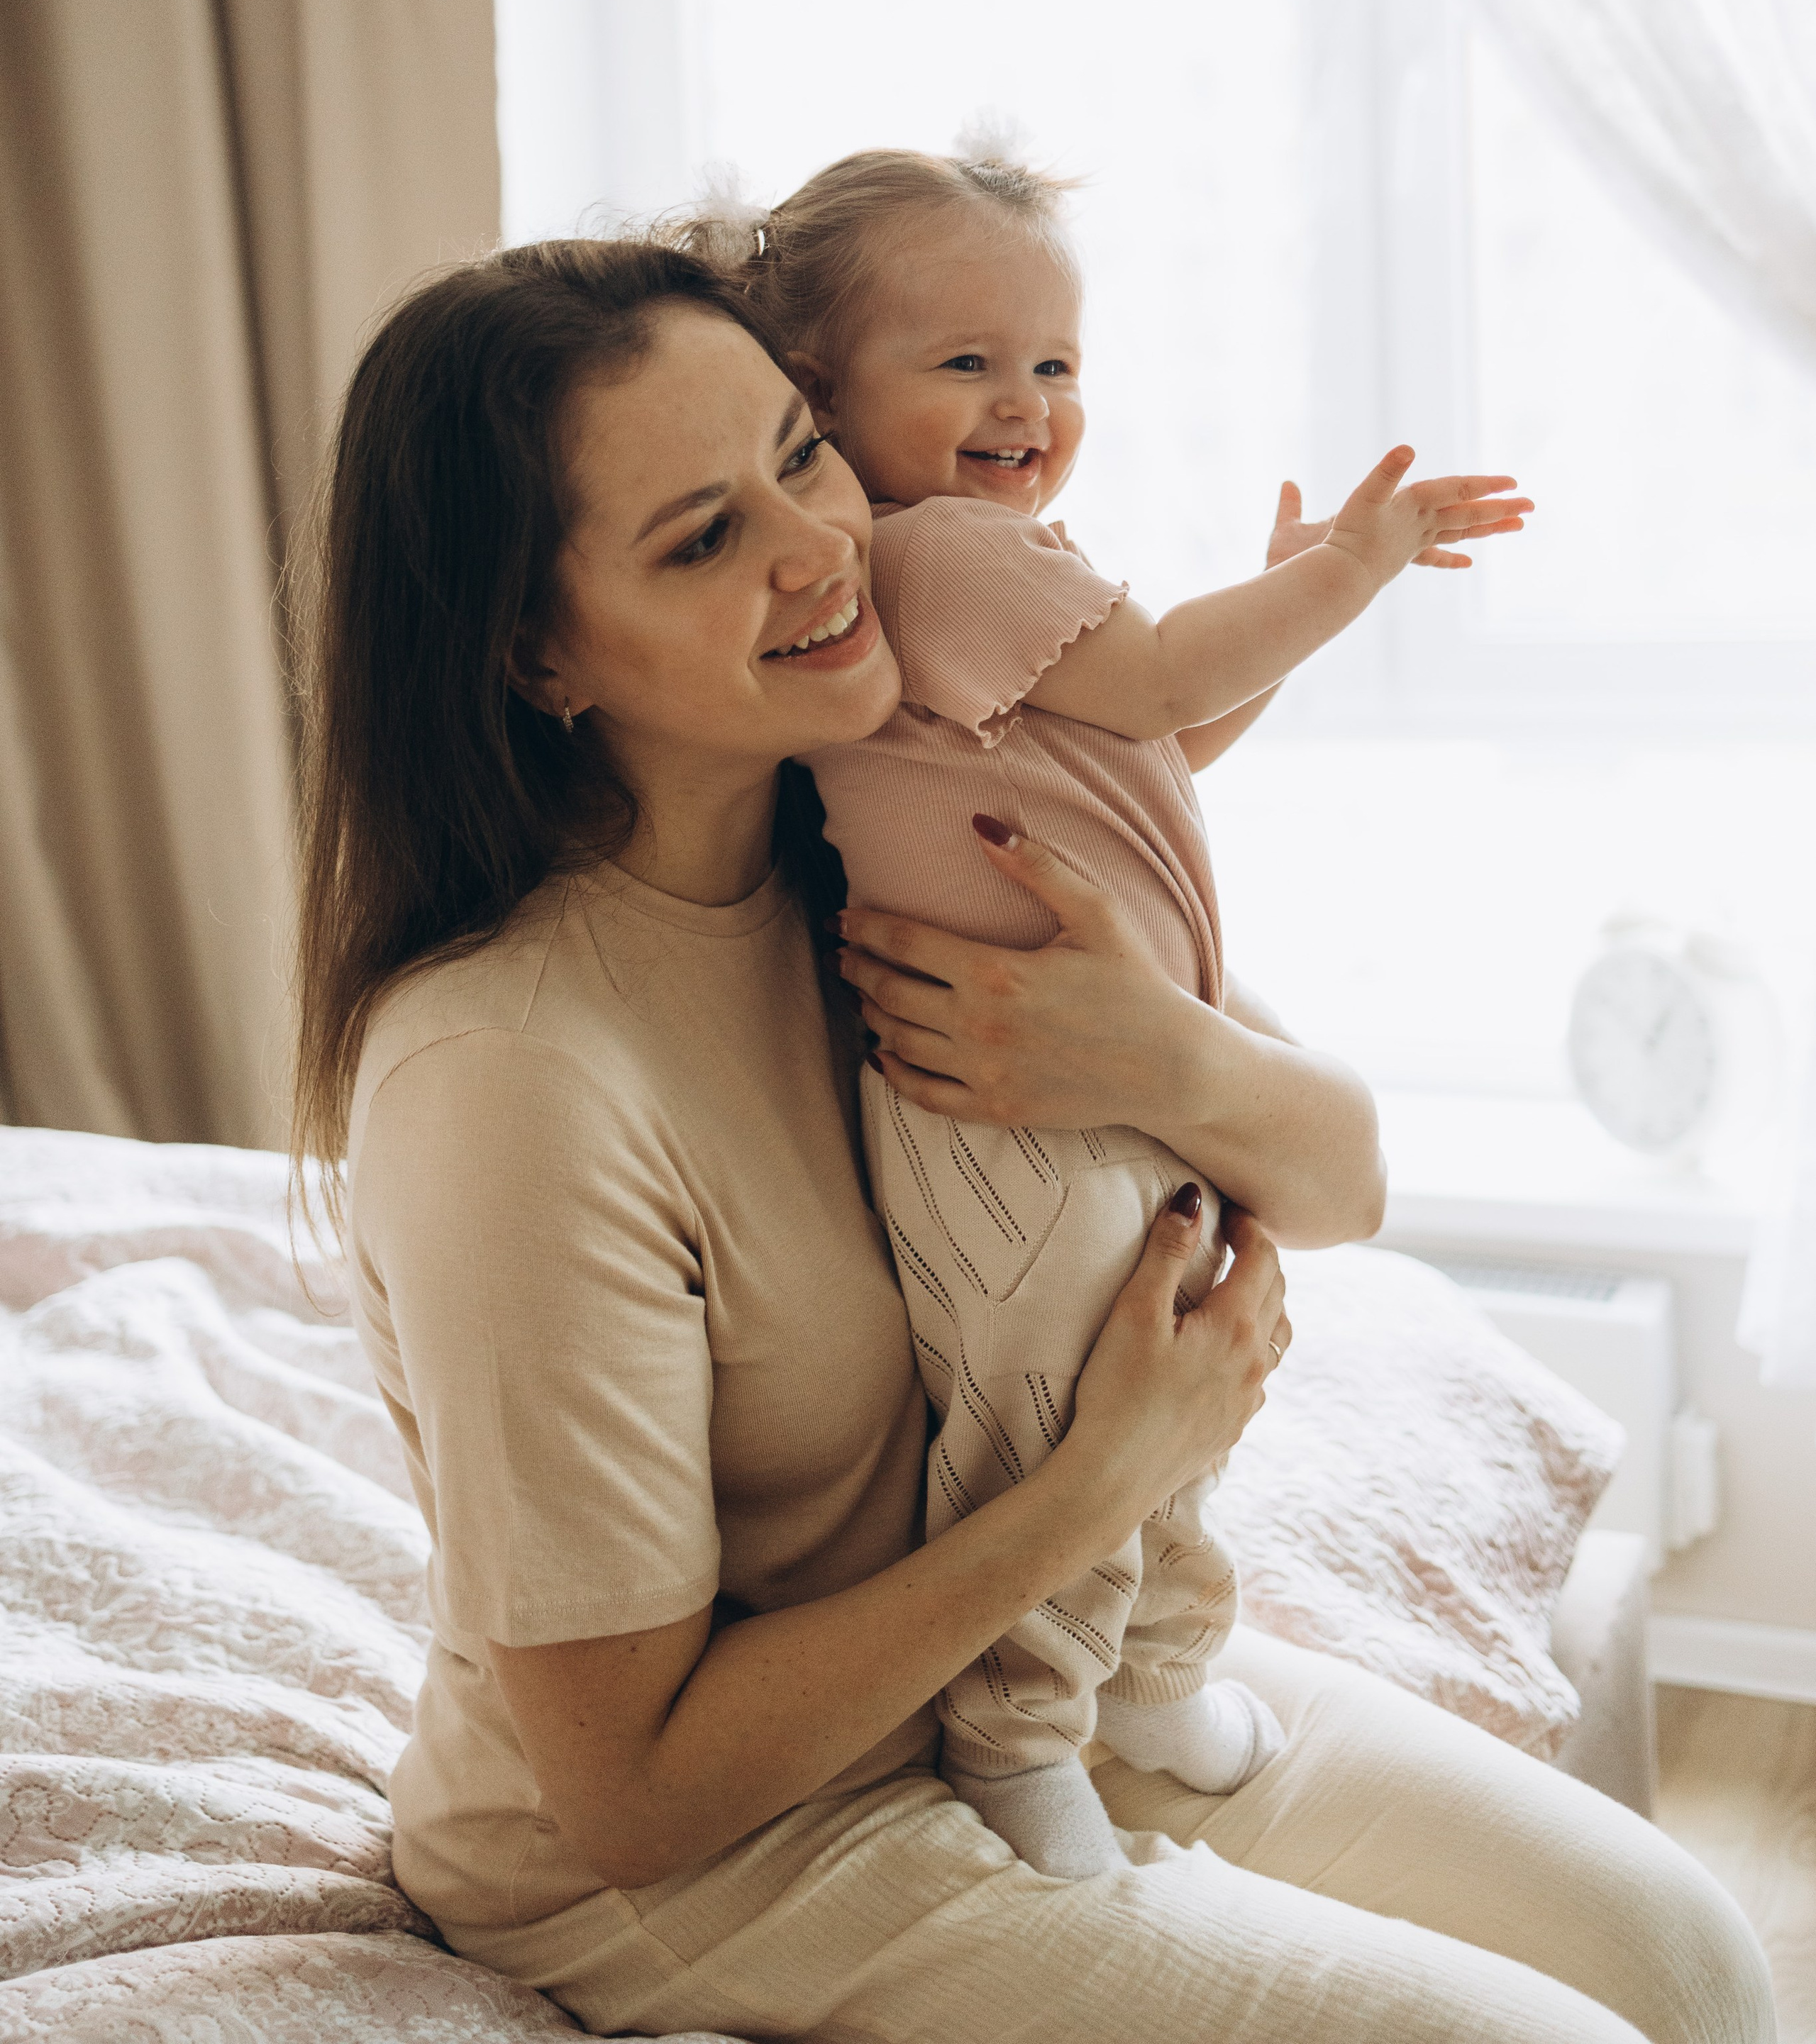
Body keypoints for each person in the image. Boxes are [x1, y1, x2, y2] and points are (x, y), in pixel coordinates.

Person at [291, 233, 1773, 2044]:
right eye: (701, 538)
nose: (817, 545)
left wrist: (1151, 1050)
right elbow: (633, 1792)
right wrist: (1106, 1476)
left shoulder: (886, 820)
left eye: (800, 452)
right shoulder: (507, 1076)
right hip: (707, 1858)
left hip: (1013, 1698)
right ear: (534, 650)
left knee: (1685, 1957)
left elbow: (1340, 1184)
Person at [690, 143, 1529, 1878]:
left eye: (1054, 364)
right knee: (1052, 1415)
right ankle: (1014, 1735)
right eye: (966, 363)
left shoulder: (989, 565)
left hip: (1088, 1055)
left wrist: (1269, 633)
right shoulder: (929, 556)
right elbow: (1161, 679)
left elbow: (1150, 733)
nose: (1026, 401)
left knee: (1179, 1378)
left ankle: (1152, 1669)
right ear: (822, 396)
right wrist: (1343, 577)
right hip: (994, 1100)